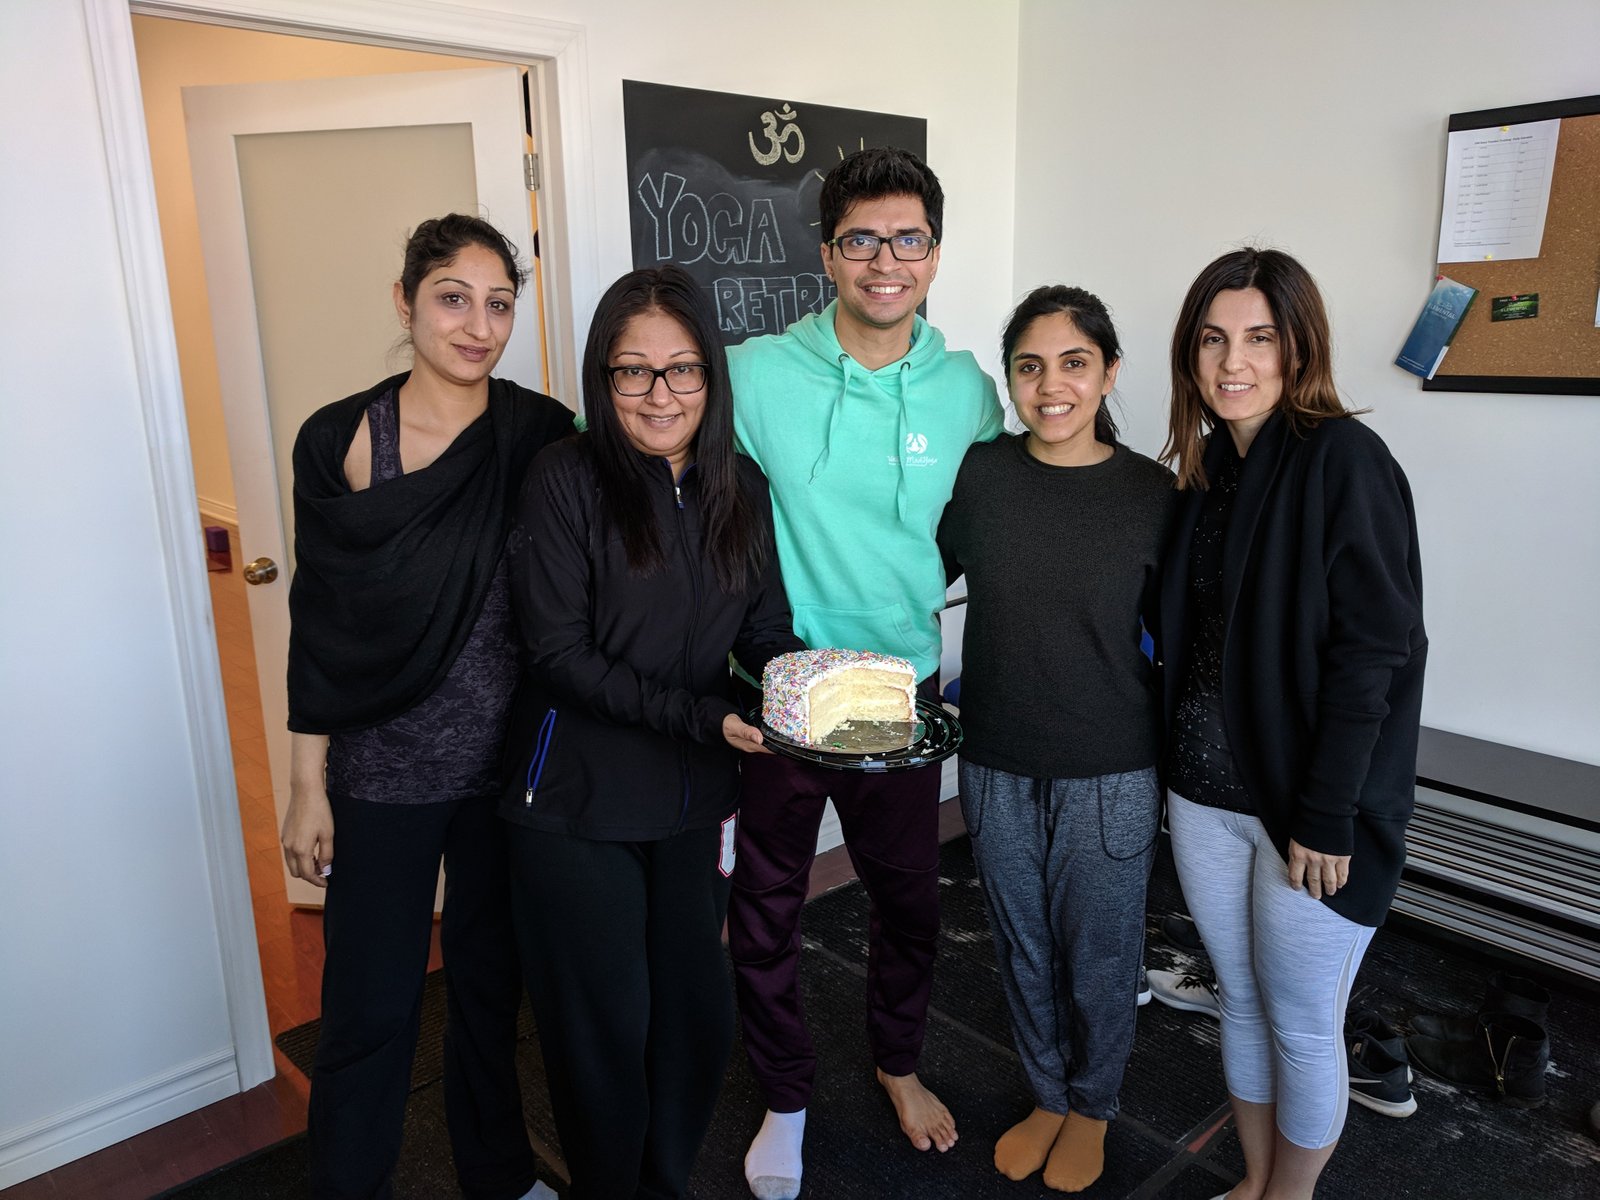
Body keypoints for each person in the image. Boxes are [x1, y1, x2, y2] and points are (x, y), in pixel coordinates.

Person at [725, 146, 1004, 1200]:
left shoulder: (967, 389)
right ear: (826, 251)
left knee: (908, 904)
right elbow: (626, 440)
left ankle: (897, 1062)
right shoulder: (753, 373)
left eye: (907, 239)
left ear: (934, 251)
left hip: (899, 690)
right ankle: (784, 1098)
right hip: (785, 684)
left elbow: (997, 519)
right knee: (765, 910)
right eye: (861, 240)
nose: (886, 262)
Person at [282, 213, 573, 1200]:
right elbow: (320, 620)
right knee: (368, 1008)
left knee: (491, 993)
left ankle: (497, 1176)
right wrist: (307, 787)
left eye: (500, 305)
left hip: (506, 777)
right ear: (404, 301)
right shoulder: (341, 439)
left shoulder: (538, 434)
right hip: (380, 777)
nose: (478, 327)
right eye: (453, 299)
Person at [500, 265, 802, 1200]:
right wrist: (707, 717)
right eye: (634, 371)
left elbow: (764, 631)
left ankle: (662, 1182)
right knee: (604, 1032)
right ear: (605, 377)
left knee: (694, 1021)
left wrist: (815, 690)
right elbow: (559, 654)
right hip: (575, 804)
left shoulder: (740, 486)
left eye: (683, 369)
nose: (660, 394)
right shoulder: (563, 478)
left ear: (711, 375)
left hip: (693, 803)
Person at [1157, 248, 1426, 1200]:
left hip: (1305, 812)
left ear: (1299, 348)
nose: (1233, 361)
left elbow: (1374, 654)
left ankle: (1292, 1195)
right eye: (1213, 339)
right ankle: (1257, 1181)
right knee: (1239, 1002)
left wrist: (1326, 813)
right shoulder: (1205, 470)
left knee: (1305, 1025)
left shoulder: (1344, 460)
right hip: (1202, 796)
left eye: (1260, 338)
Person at [936, 285, 1175, 1192]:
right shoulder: (980, 476)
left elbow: (1184, 640)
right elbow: (908, 572)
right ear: (1010, 379)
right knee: (1020, 943)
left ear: (1109, 373)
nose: (1051, 387)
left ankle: (1093, 1106)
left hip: (1110, 768)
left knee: (1101, 956)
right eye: (1029, 367)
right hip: (995, 756)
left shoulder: (1154, 494)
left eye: (1075, 364)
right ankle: (1047, 1093)